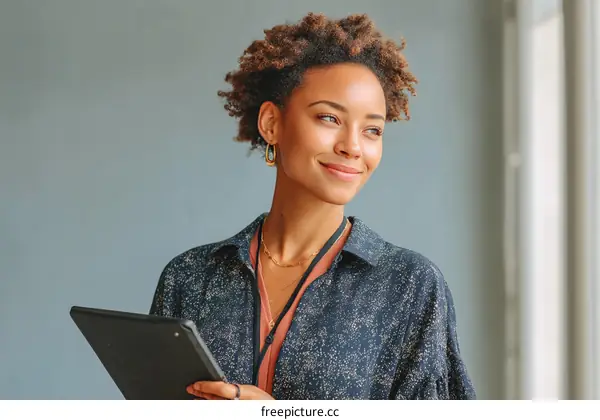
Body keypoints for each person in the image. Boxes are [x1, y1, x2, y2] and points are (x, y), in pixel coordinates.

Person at [150, 12, 476, 400]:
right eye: (329, 117)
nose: (353, 147)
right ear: (272, 123)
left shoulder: (410, 286)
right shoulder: (190, 277)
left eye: (372, 130)